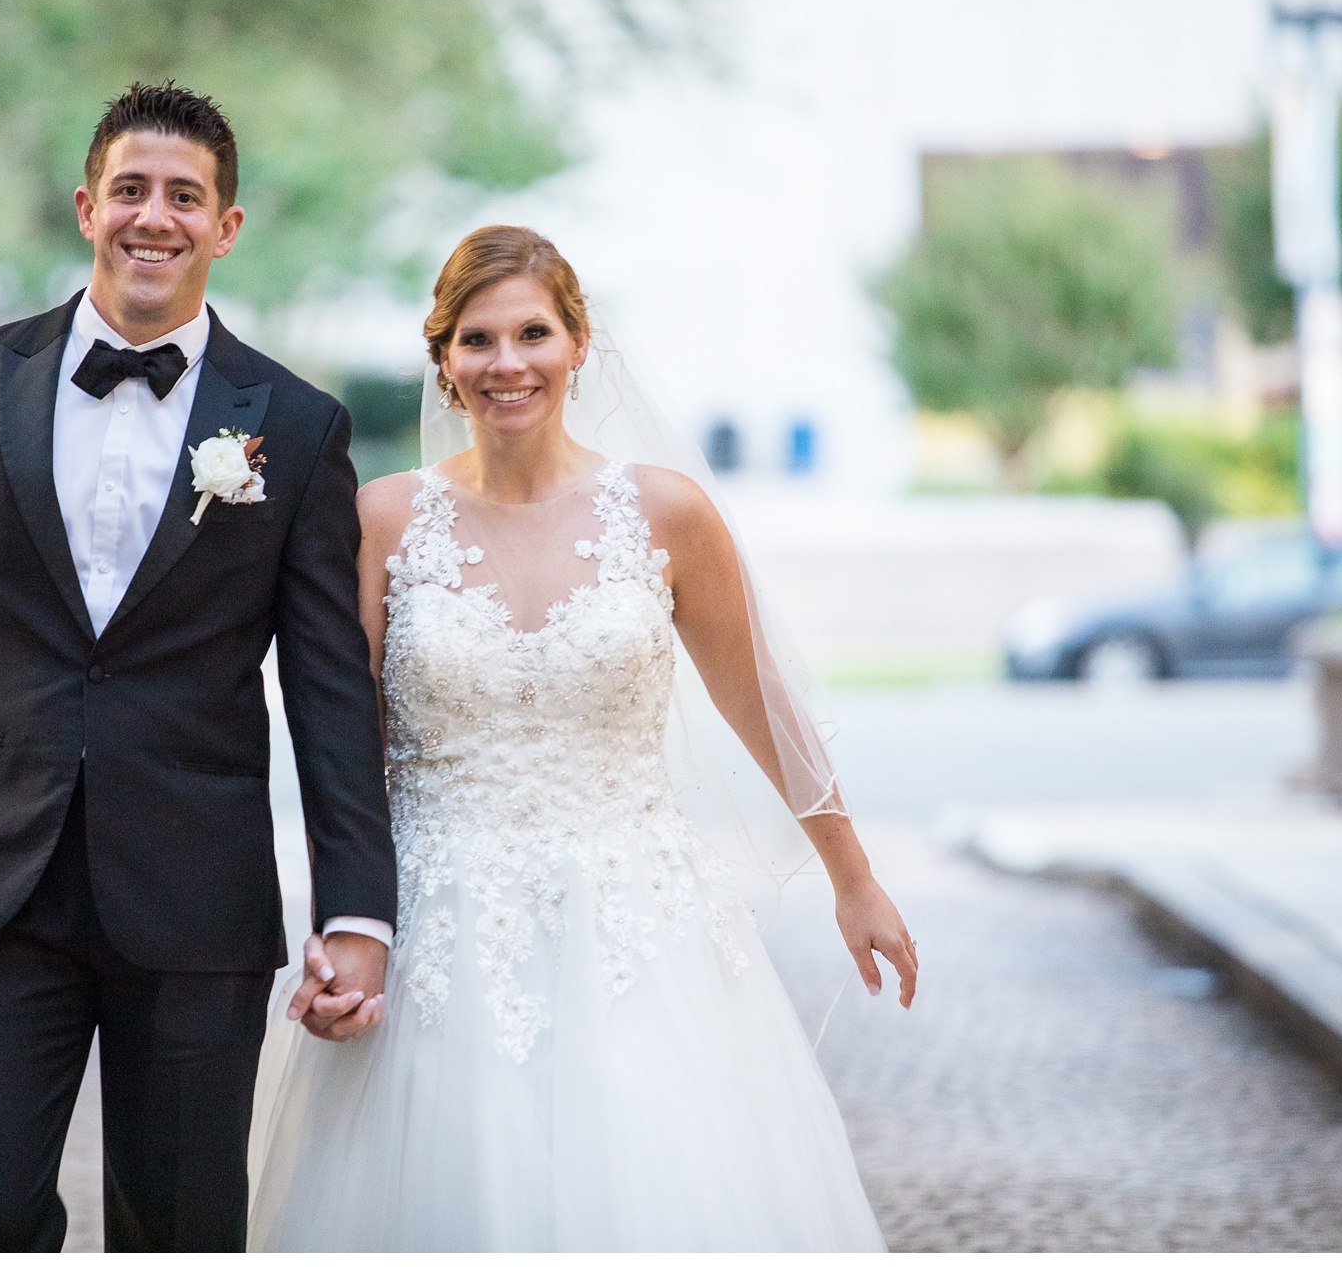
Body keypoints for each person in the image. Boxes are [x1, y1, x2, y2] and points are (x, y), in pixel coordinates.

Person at [250, 225, 916, 1251]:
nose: (505, 363)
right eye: (476, 340)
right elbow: (347, 756)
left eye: (530, 333)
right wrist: (346, 928)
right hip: (439, 929)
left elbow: (762, 703)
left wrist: (852, 876)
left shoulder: (665, 512)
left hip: (637, 924)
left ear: (577, 344)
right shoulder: (381, 519)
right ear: (443, 360)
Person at [0, 81, 397, 1252]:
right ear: (86, 206)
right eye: (132, 191)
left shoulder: (296, 428)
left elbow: (327, 693)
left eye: (185, 197)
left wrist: (355, 905)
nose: (155, 217)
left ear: (227, 225)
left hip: (195, 898)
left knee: (182, 1231)